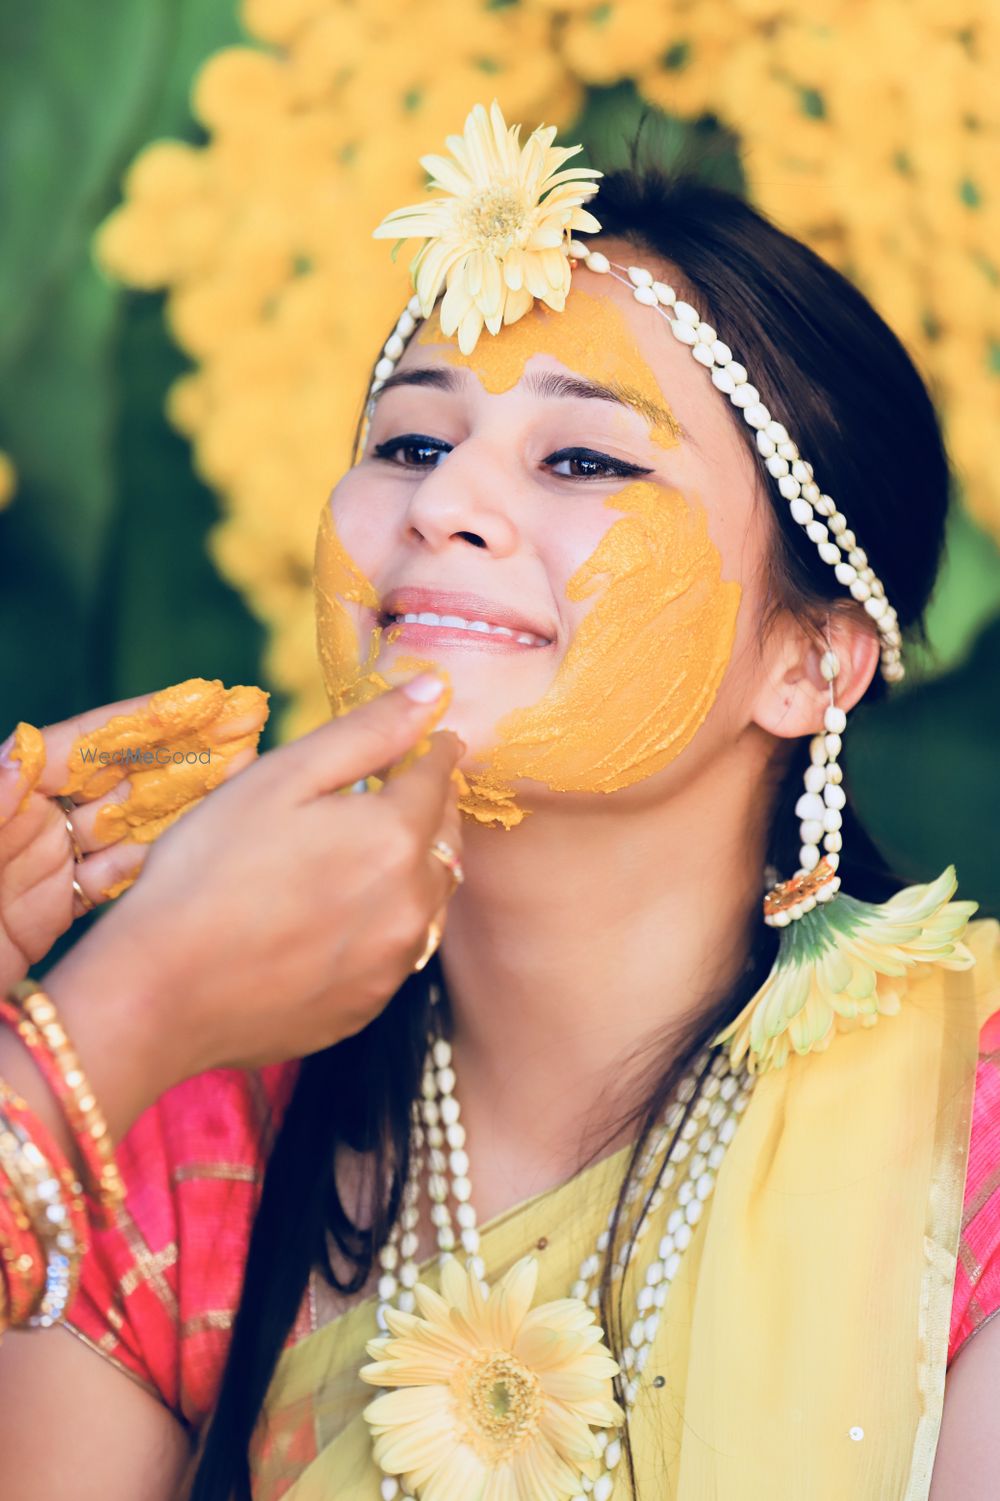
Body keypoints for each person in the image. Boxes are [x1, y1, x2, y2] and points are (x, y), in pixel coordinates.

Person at [0, 101, 998, 1501]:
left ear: (809, 655)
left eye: (584, 458)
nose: (441, 501)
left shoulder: (969, 1135)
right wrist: (68, 1046)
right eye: (409, 442)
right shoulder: (171, 1134)